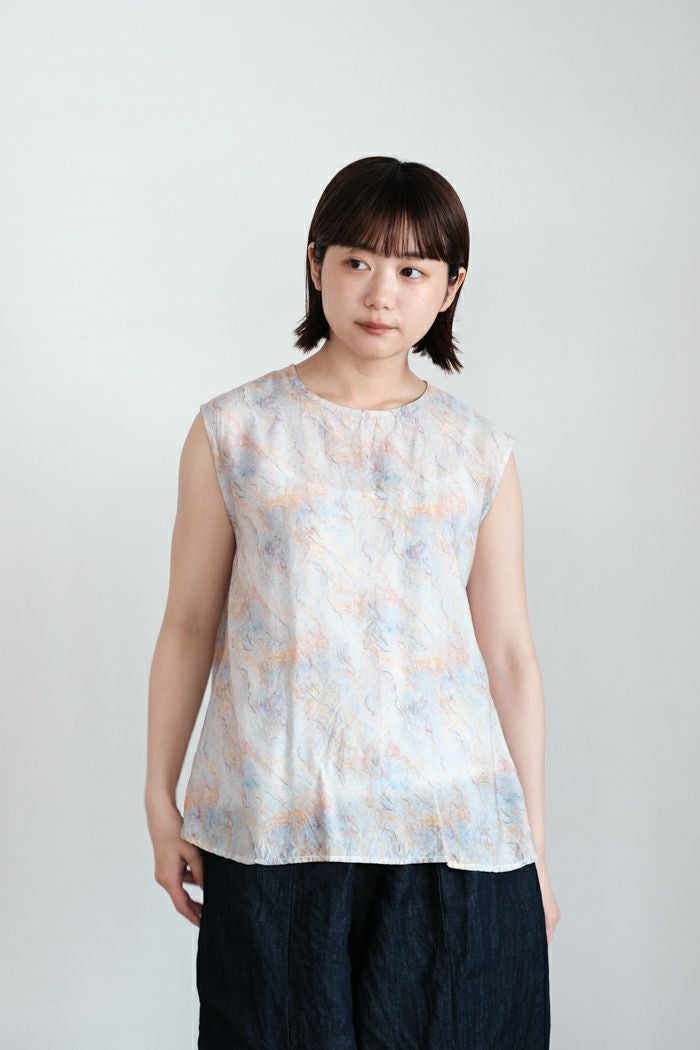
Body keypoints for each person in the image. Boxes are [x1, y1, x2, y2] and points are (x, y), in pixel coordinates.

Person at [145, 155, 560, 1049]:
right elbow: (188, 624)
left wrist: (533, 847)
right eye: (358, 261)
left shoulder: (477, 452)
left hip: (454, 834)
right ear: (316, 264)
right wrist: (159, 796)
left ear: (450, 288)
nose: (381, 293)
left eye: (412, 269)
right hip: (277, 823)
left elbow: (511, 656)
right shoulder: (235, 431)